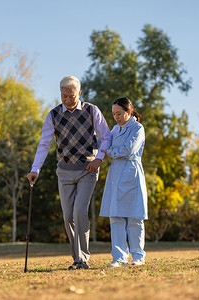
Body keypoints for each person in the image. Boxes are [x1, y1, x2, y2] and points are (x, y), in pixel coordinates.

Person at [27, 75, 112, 270]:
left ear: (79, 93)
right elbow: (44, 144)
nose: (67, 100)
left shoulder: (92, 111)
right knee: (67, 217)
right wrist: (35, 169)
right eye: (63, 96)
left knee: (79, 211)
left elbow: (106, 137)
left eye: (71, 96)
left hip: (87, 169)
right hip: (64, 171)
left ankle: (83, 259)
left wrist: (99, 159)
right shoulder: (53, 115)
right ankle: (76, 259)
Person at [99, 97, 147, 267]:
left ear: (128, 112)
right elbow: (104, 142)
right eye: (113, 114)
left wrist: (109, 152)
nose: (116, 117)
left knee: (134, 217)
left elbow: (128, 150)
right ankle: (119, 257)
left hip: (131, 174)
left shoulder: (137, 128)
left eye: (119, 113)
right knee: (116, 216)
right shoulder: (115, 129)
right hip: (115, 175)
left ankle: (138, 256)